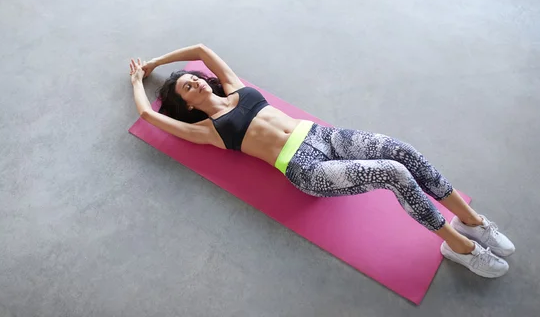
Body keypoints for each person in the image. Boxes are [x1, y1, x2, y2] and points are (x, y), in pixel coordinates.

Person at [129, 43, 515, 278]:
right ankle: (457, 247)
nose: (194, 81)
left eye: (192, 78)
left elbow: (199, 49)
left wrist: (155, 62)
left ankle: (473, 222)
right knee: (393, 173)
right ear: (188, 104)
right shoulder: (210, 130)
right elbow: (150, 117)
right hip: (306, 169)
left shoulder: (236, 87)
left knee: (403, 151)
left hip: (321, 136)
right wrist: (137, 82)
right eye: (185, 87)